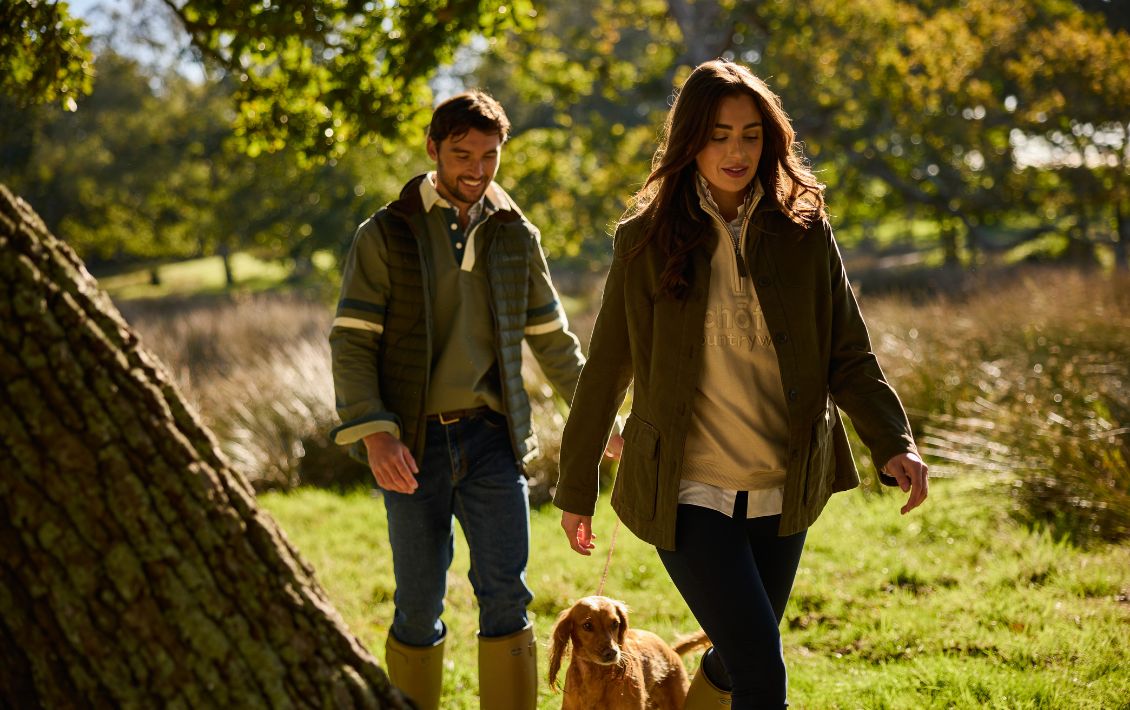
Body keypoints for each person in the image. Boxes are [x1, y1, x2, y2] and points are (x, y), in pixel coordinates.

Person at [553, 59, 929, 710]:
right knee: (761, 664)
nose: (735, 151)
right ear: (690, 141)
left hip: (783, 485)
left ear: (770, 139)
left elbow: (848, 352)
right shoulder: (643, 240)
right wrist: (576, 484)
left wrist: (894, 441)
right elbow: (607, 365)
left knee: (737, 650)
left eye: (750, 134)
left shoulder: (805, 231)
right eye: (719, 134)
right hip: (687, 490)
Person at [330, 90, 616, 710]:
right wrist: (375, 433)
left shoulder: (516, 236)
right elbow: (351, 343)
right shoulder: (385, 234)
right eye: (462, 154)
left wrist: (601, 423)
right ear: (432, 149)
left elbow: (554, 342)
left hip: (492, 438)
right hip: (411, 445)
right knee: (417, 605)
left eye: (489, 156)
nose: (477, 170)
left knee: (507, 596)